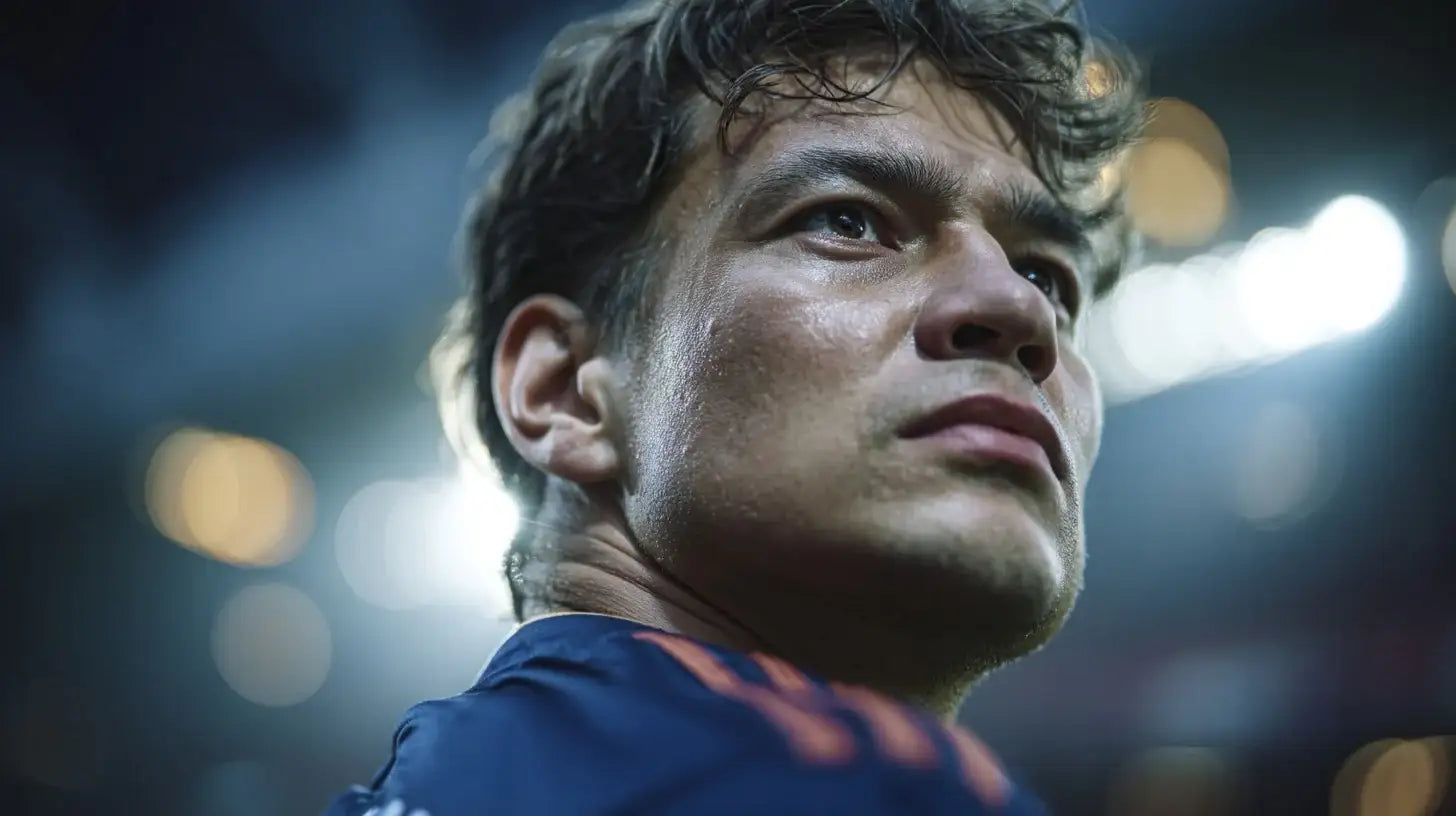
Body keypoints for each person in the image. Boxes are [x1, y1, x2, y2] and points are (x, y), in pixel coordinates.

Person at [326, 0, 1143, 812]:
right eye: (848, 221)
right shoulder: (852, 789)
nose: (1020, 310)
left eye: (1047, 278)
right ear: (566, 390)